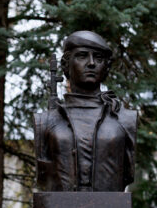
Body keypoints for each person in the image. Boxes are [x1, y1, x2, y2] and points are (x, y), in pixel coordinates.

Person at [34, 30, 136, 192]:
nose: (91, 63)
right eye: (82, 56)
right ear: (66, 65)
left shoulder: (124, 120)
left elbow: (128, 175)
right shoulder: (46, 122)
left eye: (98, 58)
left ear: (107, 67)